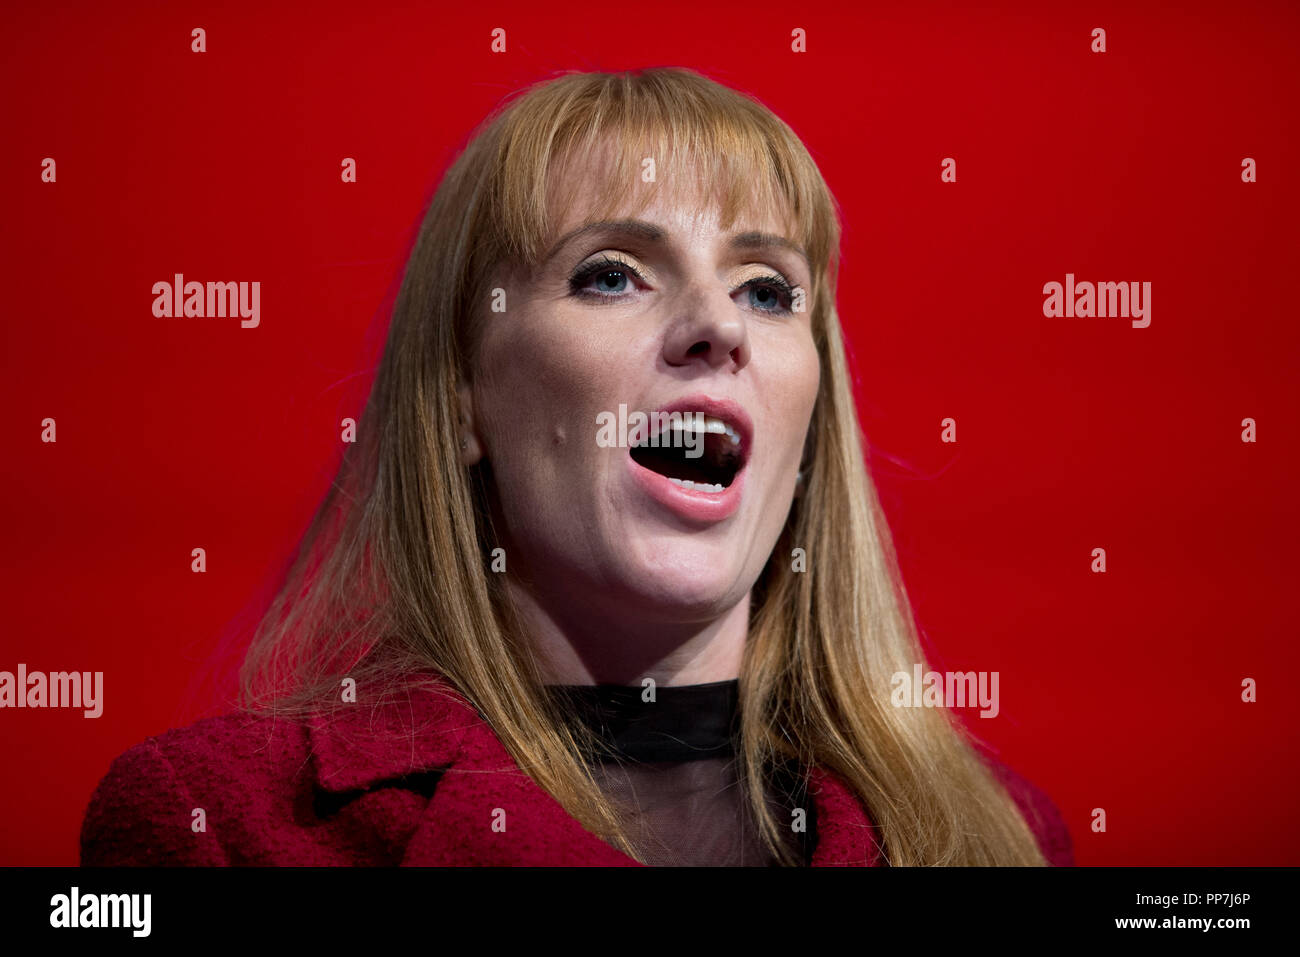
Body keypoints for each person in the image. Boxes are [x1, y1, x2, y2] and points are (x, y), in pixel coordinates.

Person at [80, 67, 1073, 867]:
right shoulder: (218, 826)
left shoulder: (1000, 839)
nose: (717, 325)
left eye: (768, 290)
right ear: (465, 397)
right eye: (611, 275)